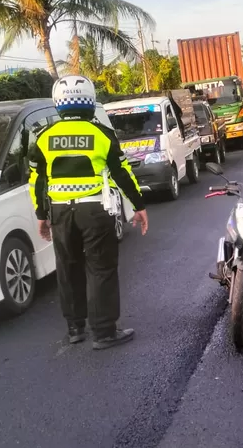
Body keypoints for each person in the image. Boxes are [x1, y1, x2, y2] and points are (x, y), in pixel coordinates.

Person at [28, 74, 148, 350]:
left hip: (60, 213)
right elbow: (122, 172)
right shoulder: (101, 134)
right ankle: (104, 332)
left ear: (58, 103)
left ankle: (75, 328)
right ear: (90, 102)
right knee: (101, 268)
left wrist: (41, 215)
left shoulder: (44, 137)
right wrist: (138, 206)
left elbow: (37, 179)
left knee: (68, 268)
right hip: (95, 210)